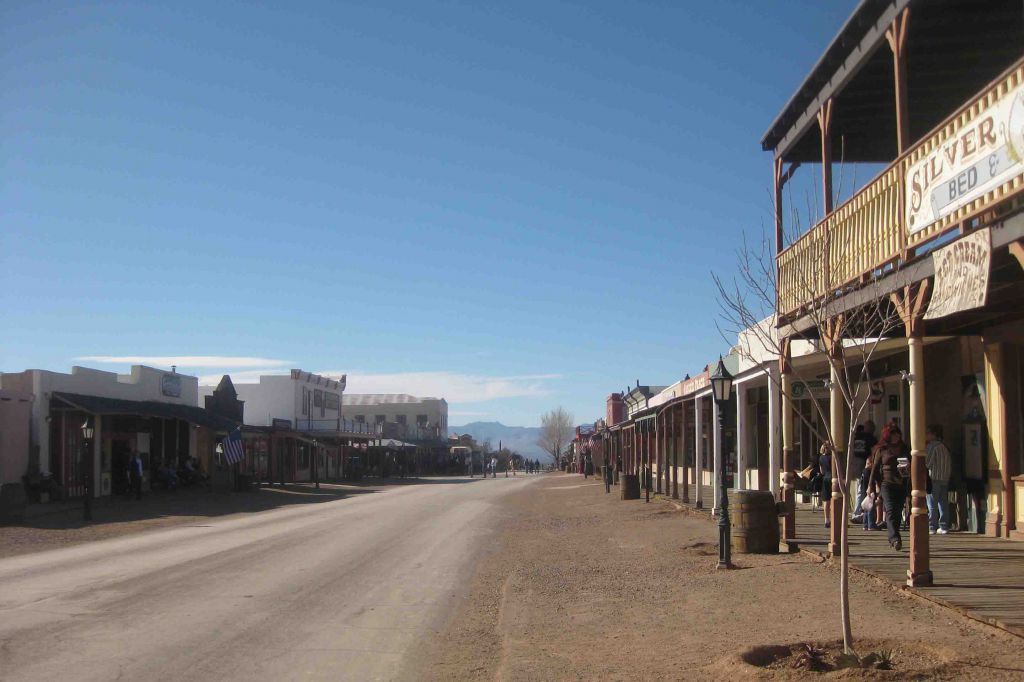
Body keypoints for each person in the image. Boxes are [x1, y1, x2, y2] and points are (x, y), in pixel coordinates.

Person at [868, 423, 910, 550]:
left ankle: (894, 536)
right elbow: (874, 469)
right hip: (887, 484)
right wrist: (870, 485)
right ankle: (895, 538)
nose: (896, 436)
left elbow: (912, 462)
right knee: (890, 510)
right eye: (893, 434)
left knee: (897, 513)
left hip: (902, 483)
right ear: (888, 436)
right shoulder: (882, 450)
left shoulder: (904, 448)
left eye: (898, 434)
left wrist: (908, 466)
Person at [926, 425, 952, 534]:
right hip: (945, 477)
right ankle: (944, 526)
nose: (926, 436)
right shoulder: (945, 446)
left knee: (932, 503)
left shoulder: (932, 446)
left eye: (928, 433)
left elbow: (928, 462)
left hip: (934, 477)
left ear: (933, 435)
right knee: (943, 503)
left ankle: (932, 526)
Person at [850, 421, 877, 523]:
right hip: (865, 463)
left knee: (859, 488)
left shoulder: (857, 437)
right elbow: (873, 451)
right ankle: (859, 512)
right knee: (863, 488)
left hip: (855, 461)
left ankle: (858, 512)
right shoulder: (871, 439)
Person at [818, 444, 833, 528]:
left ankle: (827, 520)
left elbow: (822, 471)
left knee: (826, 500)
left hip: (825, 478)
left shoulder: (821, 458)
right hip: (832, 478)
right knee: (834, 498)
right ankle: (836, 519)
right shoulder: (832, 457)